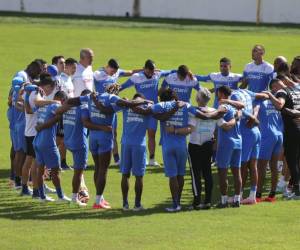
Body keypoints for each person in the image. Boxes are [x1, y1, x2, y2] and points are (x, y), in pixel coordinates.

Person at [151, 88, 226, 212]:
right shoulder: (187, 106)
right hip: (183, 146)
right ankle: (201, 201)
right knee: (184, 175)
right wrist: (218, 112)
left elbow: (151, 111)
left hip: (171, 145)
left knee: (175, 176)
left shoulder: (162, 106)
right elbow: (204, 116)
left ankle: (177, 204)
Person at [80, 84, 149, 209]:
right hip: (128, 143)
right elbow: (107, 110)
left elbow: (104, 107)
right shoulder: (141, 106)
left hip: (100, 139)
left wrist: (97, 99)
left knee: (109, 170)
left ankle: (120, 203)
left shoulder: (119, 105)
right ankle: (101, 201)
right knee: (107, 170)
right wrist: (145, 102)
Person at [120, 59, 175, 166]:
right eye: (150, 71)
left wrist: (184, 72)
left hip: (153, 110)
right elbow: (123, 86)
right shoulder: (136, 77)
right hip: (140, 111)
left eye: (153, 71)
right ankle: (140, 158)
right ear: (145, 69)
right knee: (139, 134)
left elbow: (171, 71)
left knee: (151, 134)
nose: (151, 73)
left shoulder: (157, 74)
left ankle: (151, 159)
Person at [188, 88, 236, 210]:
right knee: (207, 173)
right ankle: (208, 201)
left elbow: (191, 128)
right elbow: (225, 126)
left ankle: (197, 202)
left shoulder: (194, 111)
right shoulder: (215, 112)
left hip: (195, 145)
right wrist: (236, 118)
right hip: (208, 144)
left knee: (196, 174)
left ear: (198, 99)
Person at [94, 58, 139, 165]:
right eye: (112, 71)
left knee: (113, 132)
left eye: (115, 72)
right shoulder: (97, 74)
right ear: (108, 66)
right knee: (98, 132)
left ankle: (116, 159)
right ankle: (97, 157)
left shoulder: (117, 72)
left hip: (112, 108)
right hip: (99, 108)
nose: (114, 74)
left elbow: (131, 72)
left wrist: (145, 70)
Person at [263, 77, 300, 199]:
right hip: (297, 127)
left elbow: (279, 105)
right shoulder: (293, 91)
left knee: (291, 160)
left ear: (274, 87)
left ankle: (297, 191)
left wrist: (269, 95)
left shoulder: (281, 92)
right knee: (297, 160)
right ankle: (295, 189)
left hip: (292, 130)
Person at [33, 90, 72, 202]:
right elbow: (56, 118)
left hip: (37, 141)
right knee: (55, 171)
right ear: (63, 100)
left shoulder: (44, 106)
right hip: (48, 142)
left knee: (40, 170)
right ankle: (60, 196)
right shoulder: (56, 105)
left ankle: (42, 197)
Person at [118, 93, 152, 211]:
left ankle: (125, 204)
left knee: (125, 174)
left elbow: (121, 100)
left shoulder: (126, 106)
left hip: (125, 144)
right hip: (139, 145)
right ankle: (137, 205)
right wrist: (145, 102)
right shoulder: (146, 107)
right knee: (139, 176)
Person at [255, 79, 284, 202]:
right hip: (279, 135)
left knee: (261, 167)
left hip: (267, 136)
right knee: (274, 166)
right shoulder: (276, 102)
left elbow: (254, 116)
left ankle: (258, 194)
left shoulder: (260, 102)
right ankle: (272, 194)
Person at [215, 86, 242, 208]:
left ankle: (224, 200)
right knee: (237, 172)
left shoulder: (222, 106)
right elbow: (242, 107)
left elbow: (224, 125)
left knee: (223, 172)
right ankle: (237, 199)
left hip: (226, 143)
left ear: (221, 93)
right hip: (238, 141)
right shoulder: (235, 107)